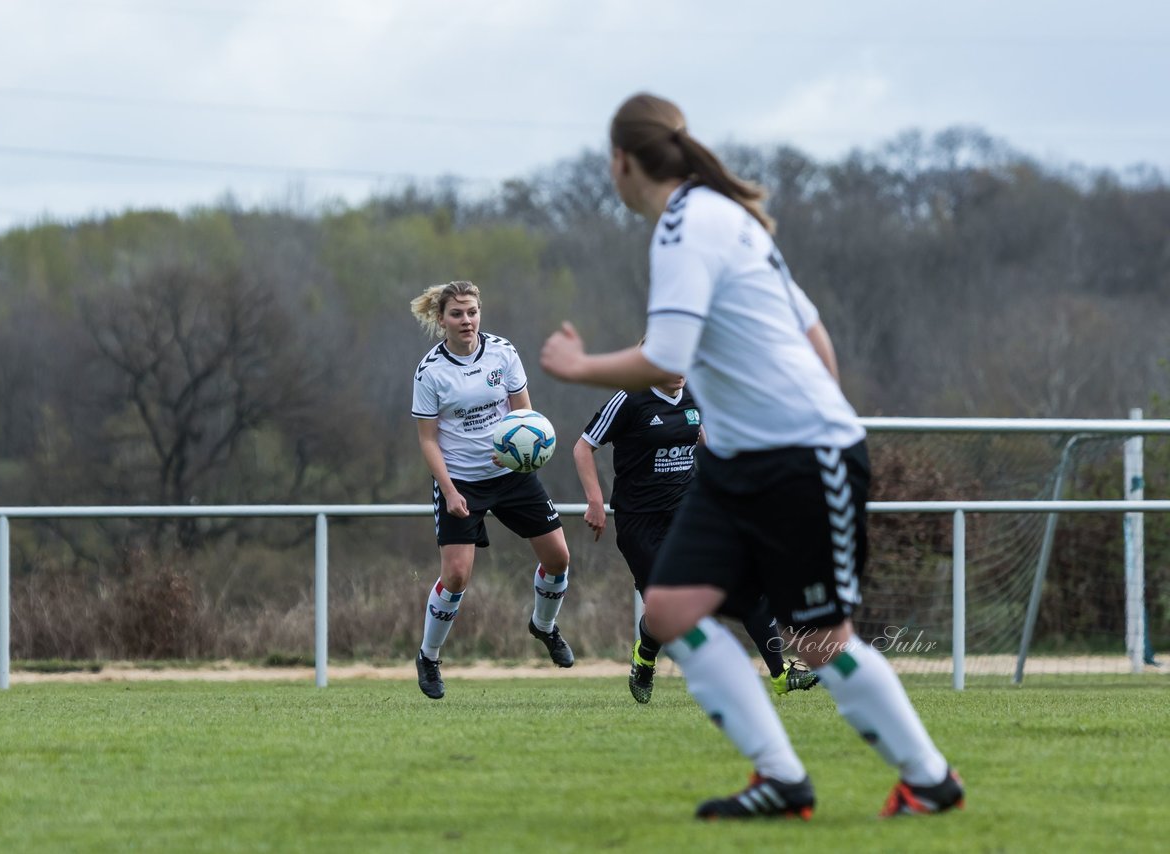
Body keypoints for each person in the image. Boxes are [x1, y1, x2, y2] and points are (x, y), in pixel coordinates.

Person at [540, 93, 963, 820]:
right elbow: (815, 336)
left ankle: (929, 779)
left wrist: (577, 367)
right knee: (670, 609)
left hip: (798, 455)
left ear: (620, 162)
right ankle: (782, 781)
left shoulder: (685, 226)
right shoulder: (725, 216)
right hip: (743, 464)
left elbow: (669, 354)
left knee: (820, 639)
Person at [574, 375, 819, 703]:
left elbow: (701, 439)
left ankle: (781, 674)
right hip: (642, 524)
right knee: (670, 611)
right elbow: (583, 447)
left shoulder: (694, 396)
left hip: (689, 515)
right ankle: (646, 656)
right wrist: (595, 501)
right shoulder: (630, 400)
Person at [410, 280, 574, 700]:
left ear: (480, 312)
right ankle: (429, 657)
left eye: (472, 312)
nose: (466, 321)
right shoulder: (431, 371)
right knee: (457, 575)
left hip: (512, 475)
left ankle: (544, 626)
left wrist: (522, 453)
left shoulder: (503, 352)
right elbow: (428, 439)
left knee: (559, 558)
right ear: (441, 319)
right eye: (457, 314)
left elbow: (524, 412)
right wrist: (448, 490)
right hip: (461, 481)